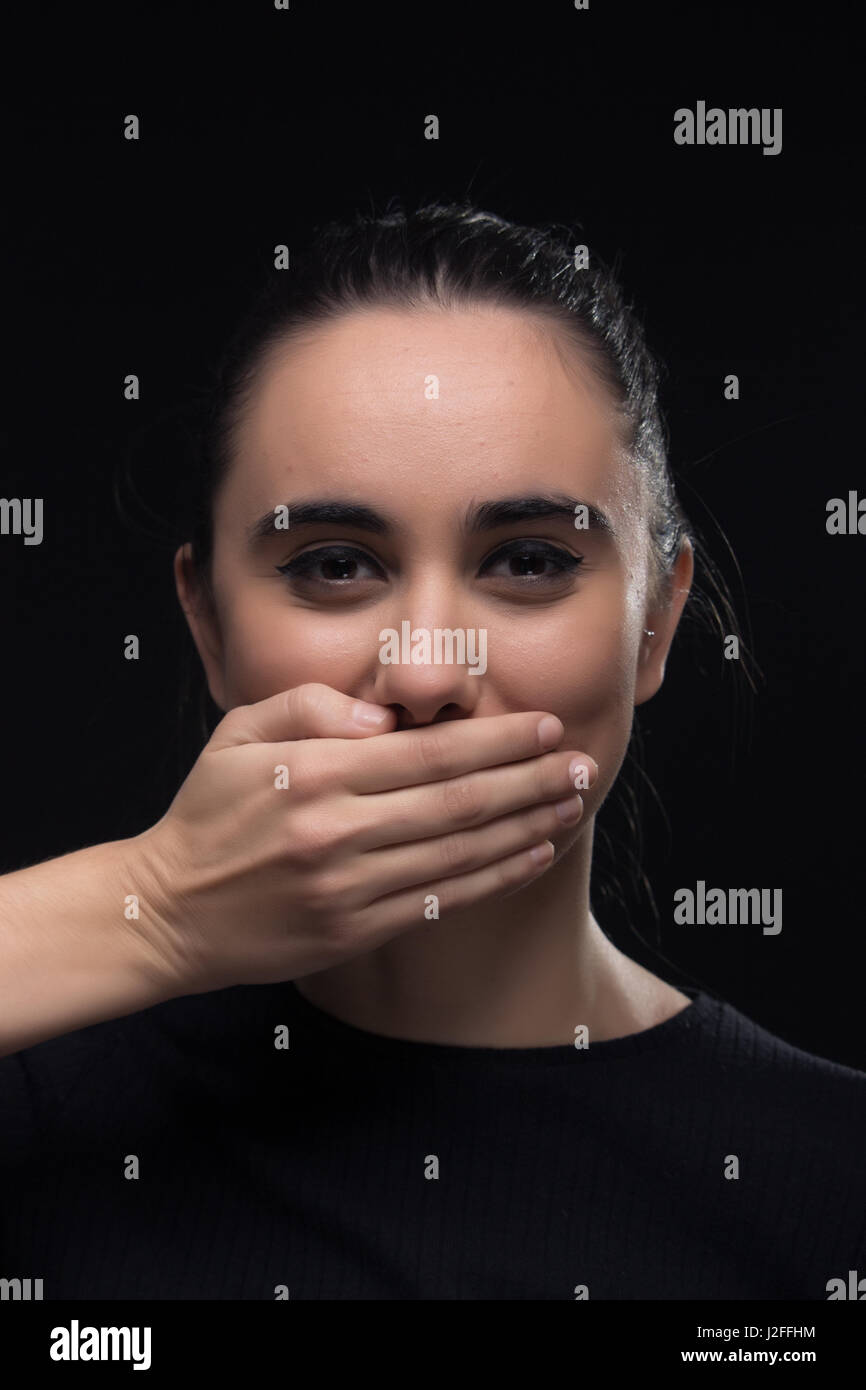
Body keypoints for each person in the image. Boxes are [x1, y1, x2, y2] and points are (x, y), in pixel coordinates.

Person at [1, 201, 863, 1301]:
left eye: (530, 560)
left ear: (654, 624)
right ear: (207, 626)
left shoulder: (831, 1186)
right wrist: (155, 904)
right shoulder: (43, 1125)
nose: (421, 670)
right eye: (332, 564)